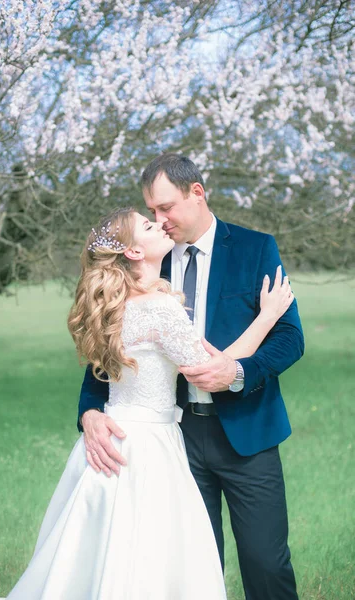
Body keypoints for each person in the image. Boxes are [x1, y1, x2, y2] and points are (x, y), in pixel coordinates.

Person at [0, 206, 293, 600]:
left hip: (114, 442)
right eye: (149, 222)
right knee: (156, 556)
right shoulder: (159, 306)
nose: (160, 222)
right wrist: (266, 317)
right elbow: (210, 370)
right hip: (149, 446)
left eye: (161, 210)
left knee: (105, 553)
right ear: (133, 252)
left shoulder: (113, 304)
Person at [79, 154, 304, 600]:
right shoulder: (147, 262)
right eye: (151, 212)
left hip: (247, 433)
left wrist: (239, 372)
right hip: (173, 442)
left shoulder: (256, 247)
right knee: (189, 566)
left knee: (266, 562)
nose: (159, 221)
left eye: (166, 208)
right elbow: (107, 351)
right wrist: (88, 411)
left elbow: (290, 338)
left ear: (196, 193)